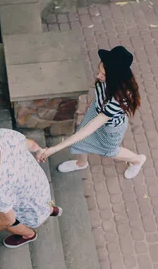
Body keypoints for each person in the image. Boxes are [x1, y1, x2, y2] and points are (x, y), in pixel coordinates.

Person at [37, 46, 146, 179]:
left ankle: (137, 159)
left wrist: (53, 149)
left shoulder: (118, 100)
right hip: (97, 112)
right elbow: (100, 93)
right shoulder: (107, 81)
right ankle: (81, 163)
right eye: (99, 70)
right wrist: (92, 102)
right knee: (80, 140)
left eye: (103, 74)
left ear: (114, 77)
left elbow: (85, 132)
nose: (98, 75)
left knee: (109, 152)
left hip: (110, 128)